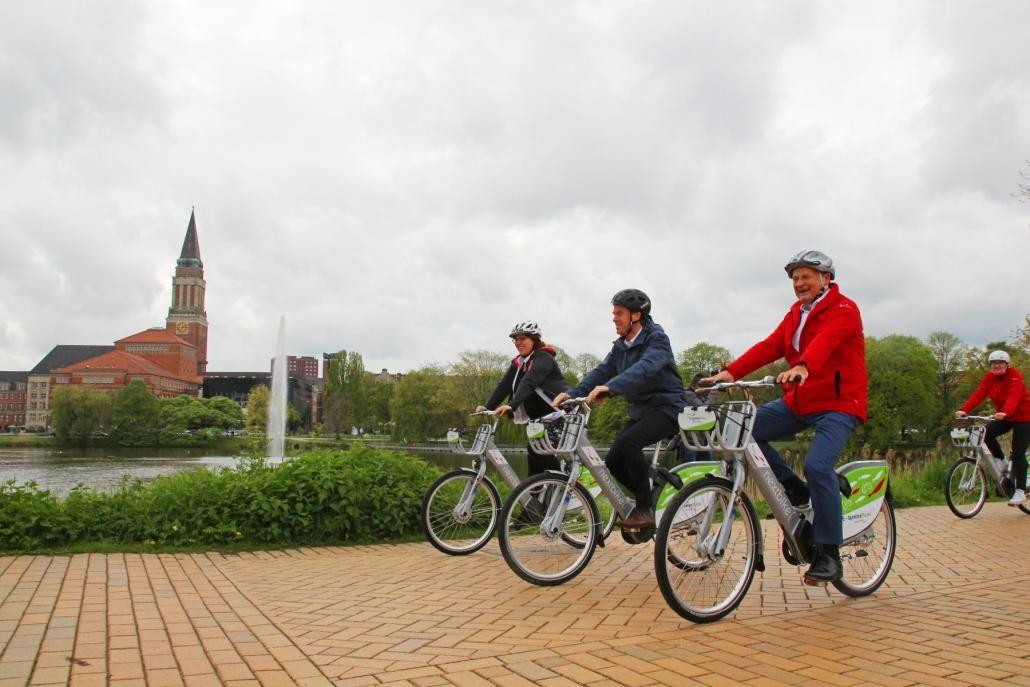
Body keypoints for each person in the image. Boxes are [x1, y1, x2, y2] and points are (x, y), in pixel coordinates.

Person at [704, 250, 866, 584]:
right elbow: (770, 345)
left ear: (826, 279)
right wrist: (730, 373)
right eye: (795, 278)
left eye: (806, 276)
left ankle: (829, 555)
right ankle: (794, 489)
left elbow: (826, 342)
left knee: (818, 466)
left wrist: (803, 366)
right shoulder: (796, 313)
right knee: (742, 430)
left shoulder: (845, 309)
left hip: (839, 403)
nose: (799, 283)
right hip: (800, 399)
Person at [551, 289, 685, 531]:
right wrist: (572, 394)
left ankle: (645, 508)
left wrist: (611, 388)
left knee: (628, 445)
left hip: (667, 408)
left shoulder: (657, 338)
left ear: (636, 316)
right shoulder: (621, 345)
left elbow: (645, 368)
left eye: (619, 313)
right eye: (613, 313)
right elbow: (601, 371)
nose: (614, 318)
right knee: (613, 460)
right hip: (642, 411)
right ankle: (657, 495)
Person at [478, 321, 571, 476]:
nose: (518, 343)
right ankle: (534, 494)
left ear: (534, 339)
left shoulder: (544, 358)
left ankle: (563, 484)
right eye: (515, 339)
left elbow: (529, 381)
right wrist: (488, 407)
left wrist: (512, 405)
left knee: (538, 450)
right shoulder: (519, 363)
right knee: (534, 455)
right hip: (540, 419)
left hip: (560, 415)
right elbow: (505, 385)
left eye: (522, 339)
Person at [955, 350, 1030, 506]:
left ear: (1007, 365)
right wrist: (965, 409)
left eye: (1000, 363)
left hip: (1024, 417)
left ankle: (1020, 491)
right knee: (986, 433)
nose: (997, 366)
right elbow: (979, 394)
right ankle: (1001, 460)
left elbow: (1014, 396)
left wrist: (1005, 412)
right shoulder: (989, 377)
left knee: (1018, 454)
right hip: (1006, 416)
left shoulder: (1014, 375)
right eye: (994, 363)